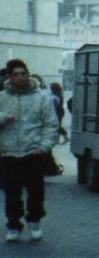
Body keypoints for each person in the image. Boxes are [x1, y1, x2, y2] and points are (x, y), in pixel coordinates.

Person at [1, 59, 60, 242]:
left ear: (28, 74)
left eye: (23, 74)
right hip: (8, 152)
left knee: (35, 190)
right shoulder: (2, 97)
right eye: (16, 75)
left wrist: (43, 147)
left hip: (32, 152)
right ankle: (13, 225)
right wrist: (3, 118)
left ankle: (34, 221)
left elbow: (51, 124)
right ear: (10, 77)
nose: (20, 77)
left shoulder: (42, 97)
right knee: (11, 192)